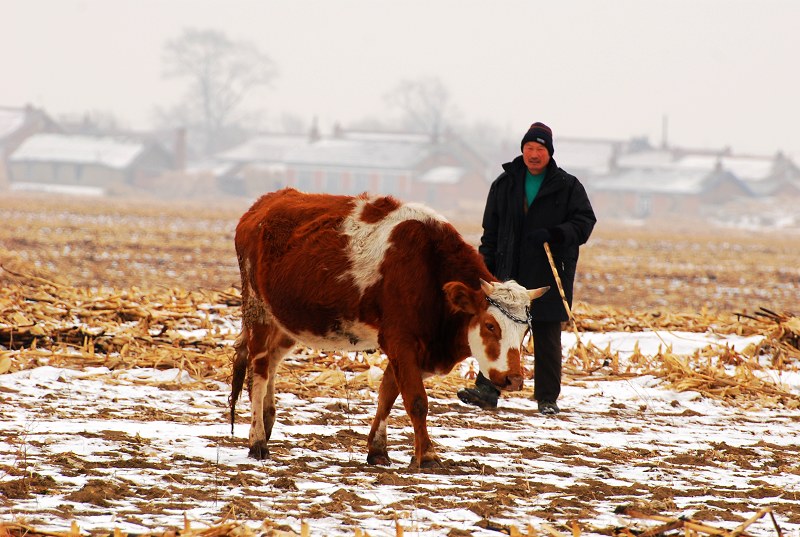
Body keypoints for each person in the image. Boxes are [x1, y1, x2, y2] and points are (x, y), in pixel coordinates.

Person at [457, 122, 596, 415]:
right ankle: (487, 389)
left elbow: (584, 224)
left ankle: (546, 398)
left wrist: (555, 234)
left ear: (549, 153)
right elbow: (490, 231)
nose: (534, 154)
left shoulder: (567, 186)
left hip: (547, 271)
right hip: (508, 273)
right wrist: (486, 267)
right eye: (529, 148)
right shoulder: (504, 184)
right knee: (498, 331)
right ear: (522, 149)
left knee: (546, 334)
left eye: (540, 149)